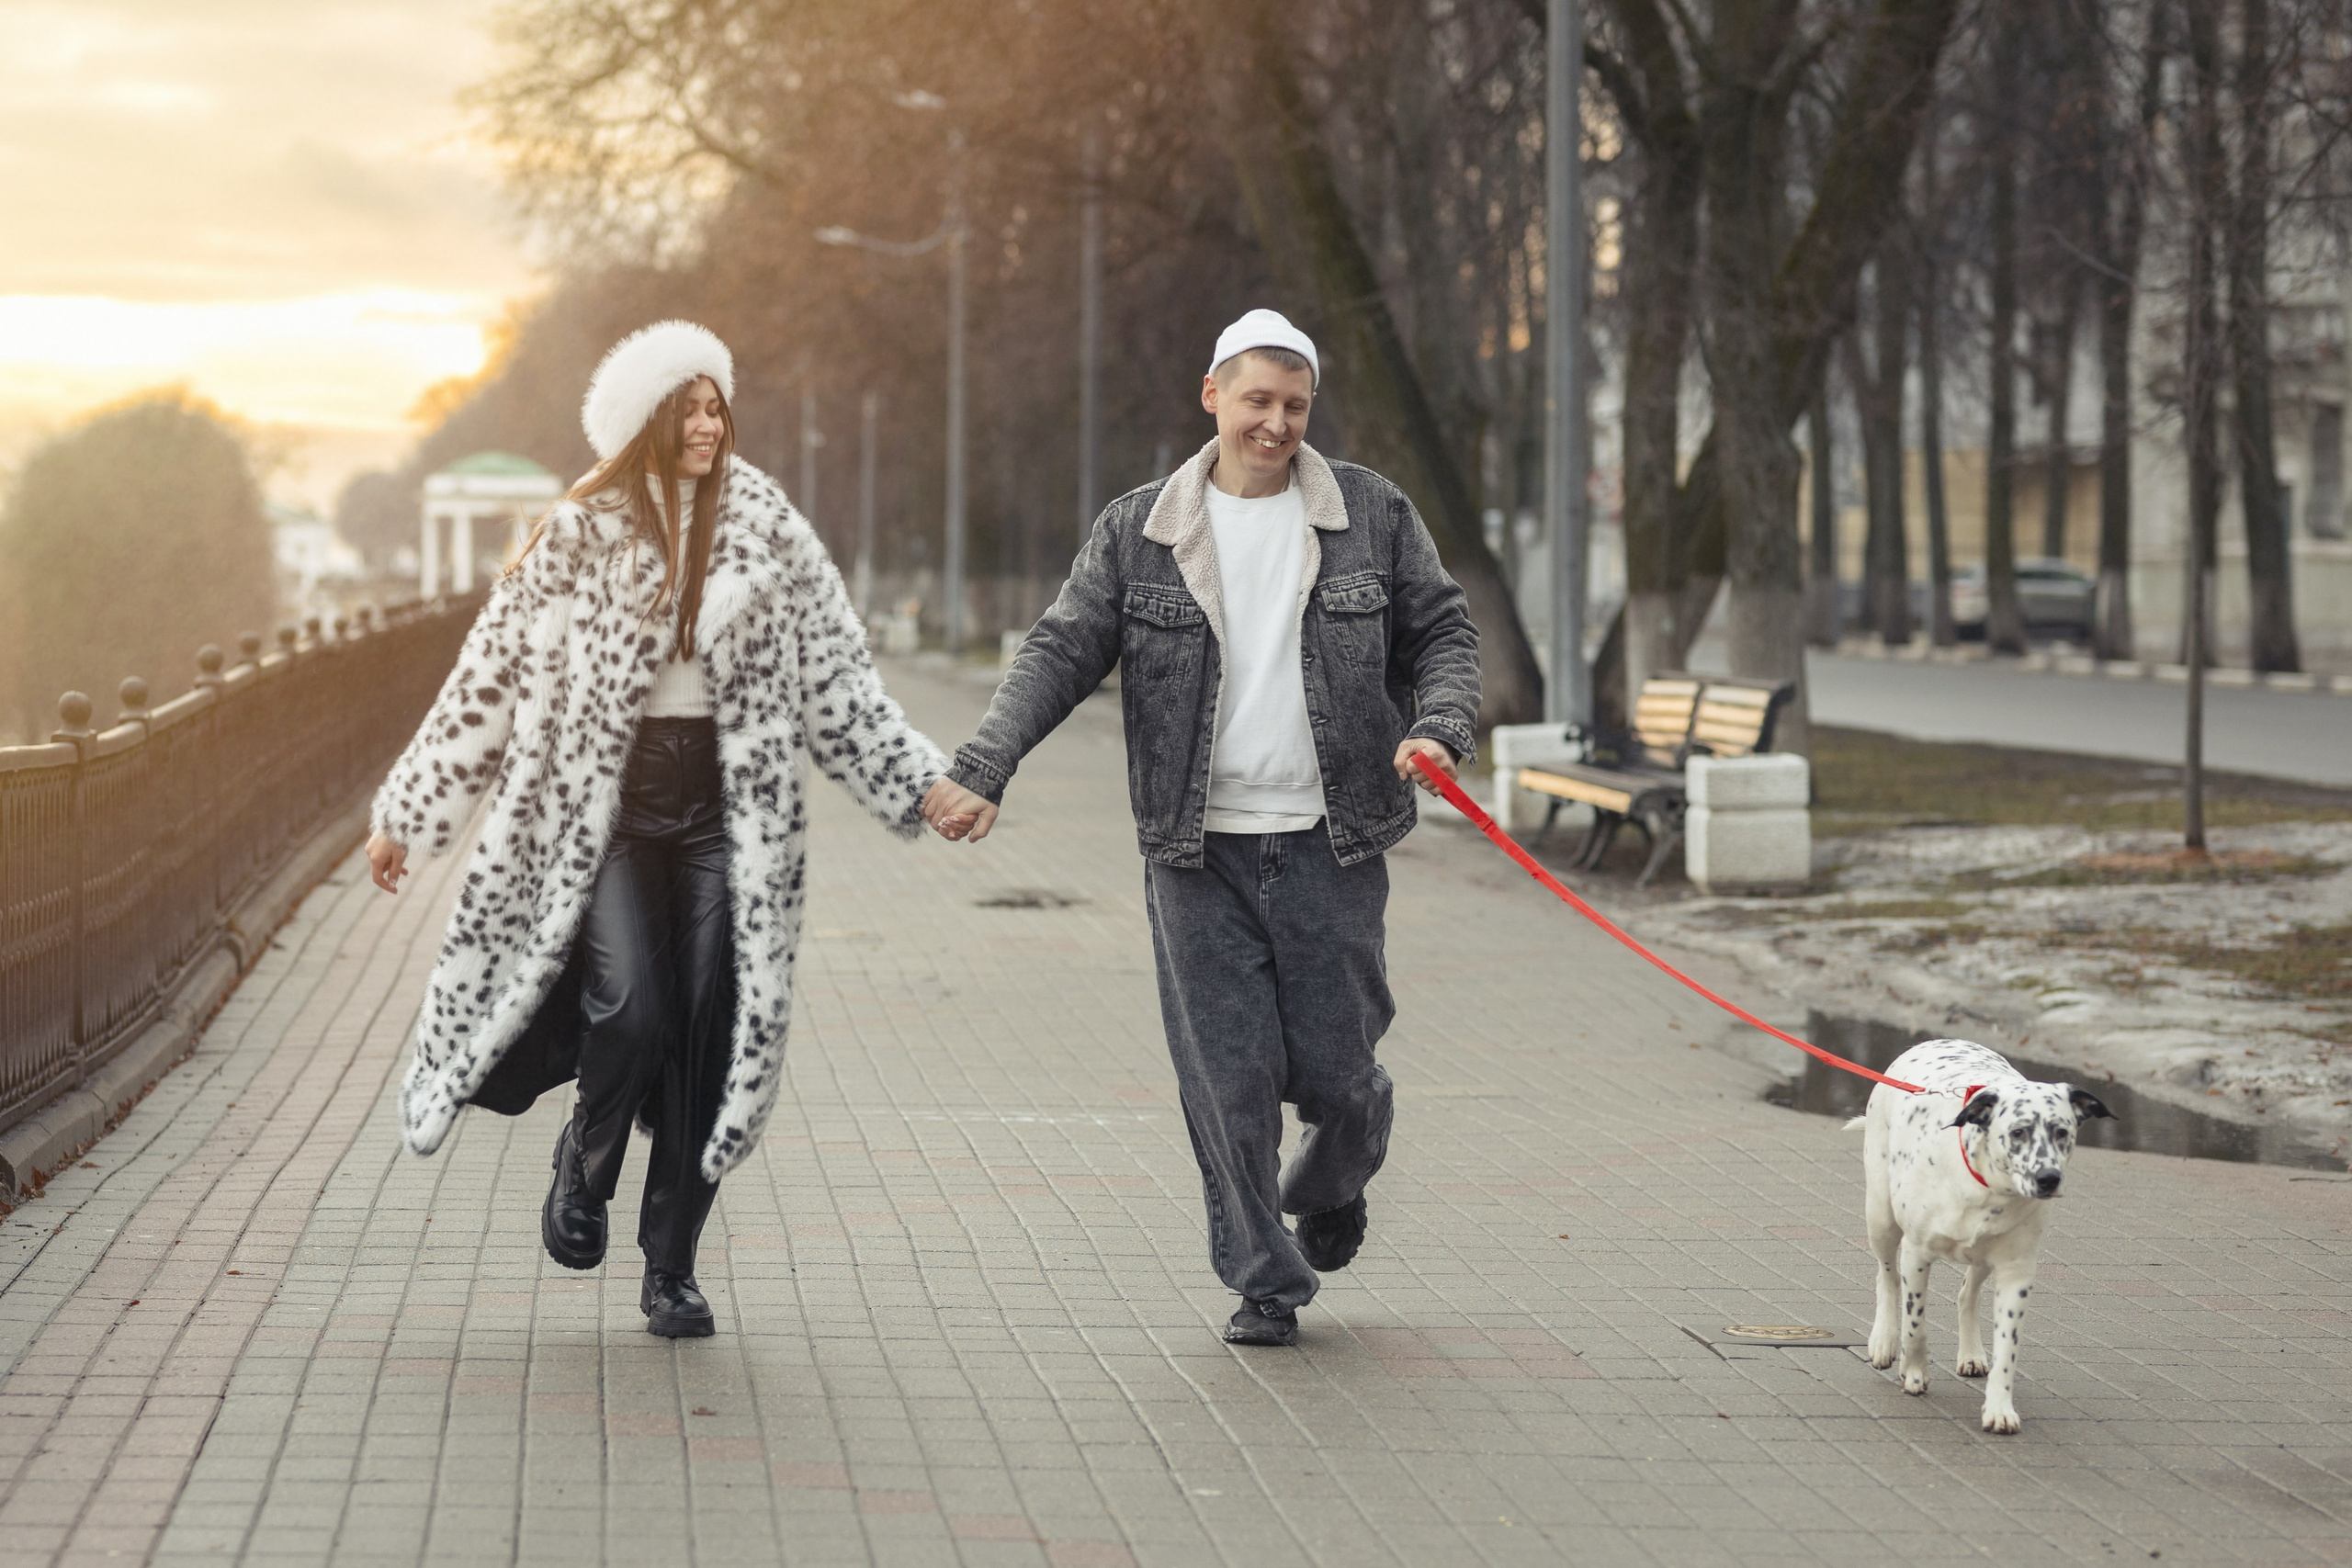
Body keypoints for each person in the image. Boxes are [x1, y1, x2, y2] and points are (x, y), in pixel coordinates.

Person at [365, 320, 949, 1338]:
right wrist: (408, 816)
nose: (707, 424)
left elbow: (839, 680)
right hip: (616, 817)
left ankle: (670, 1270)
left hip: (725, 817)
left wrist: (925, 786)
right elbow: (486, 679)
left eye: (715, 404)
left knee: (709, 1046)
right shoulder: (577, 529)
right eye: (685, 407)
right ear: (642, 422)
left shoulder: (767, 525)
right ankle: (582, 1170)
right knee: (630, 1010)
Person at [922, 309, 1480, 1346]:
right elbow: (1059, 651)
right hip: (1196, 852)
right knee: (1228, 1083)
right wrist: (983, 767)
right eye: (1257, 401)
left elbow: (1441, 629)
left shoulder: (1371, 512)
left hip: (1332, 841)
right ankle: (1263, 1283)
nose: (1275, 425)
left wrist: (1441, 727)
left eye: (1294, 406)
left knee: (1343, 1080)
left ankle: (1332, 1182)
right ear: (1212, 394)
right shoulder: (1142, 530)